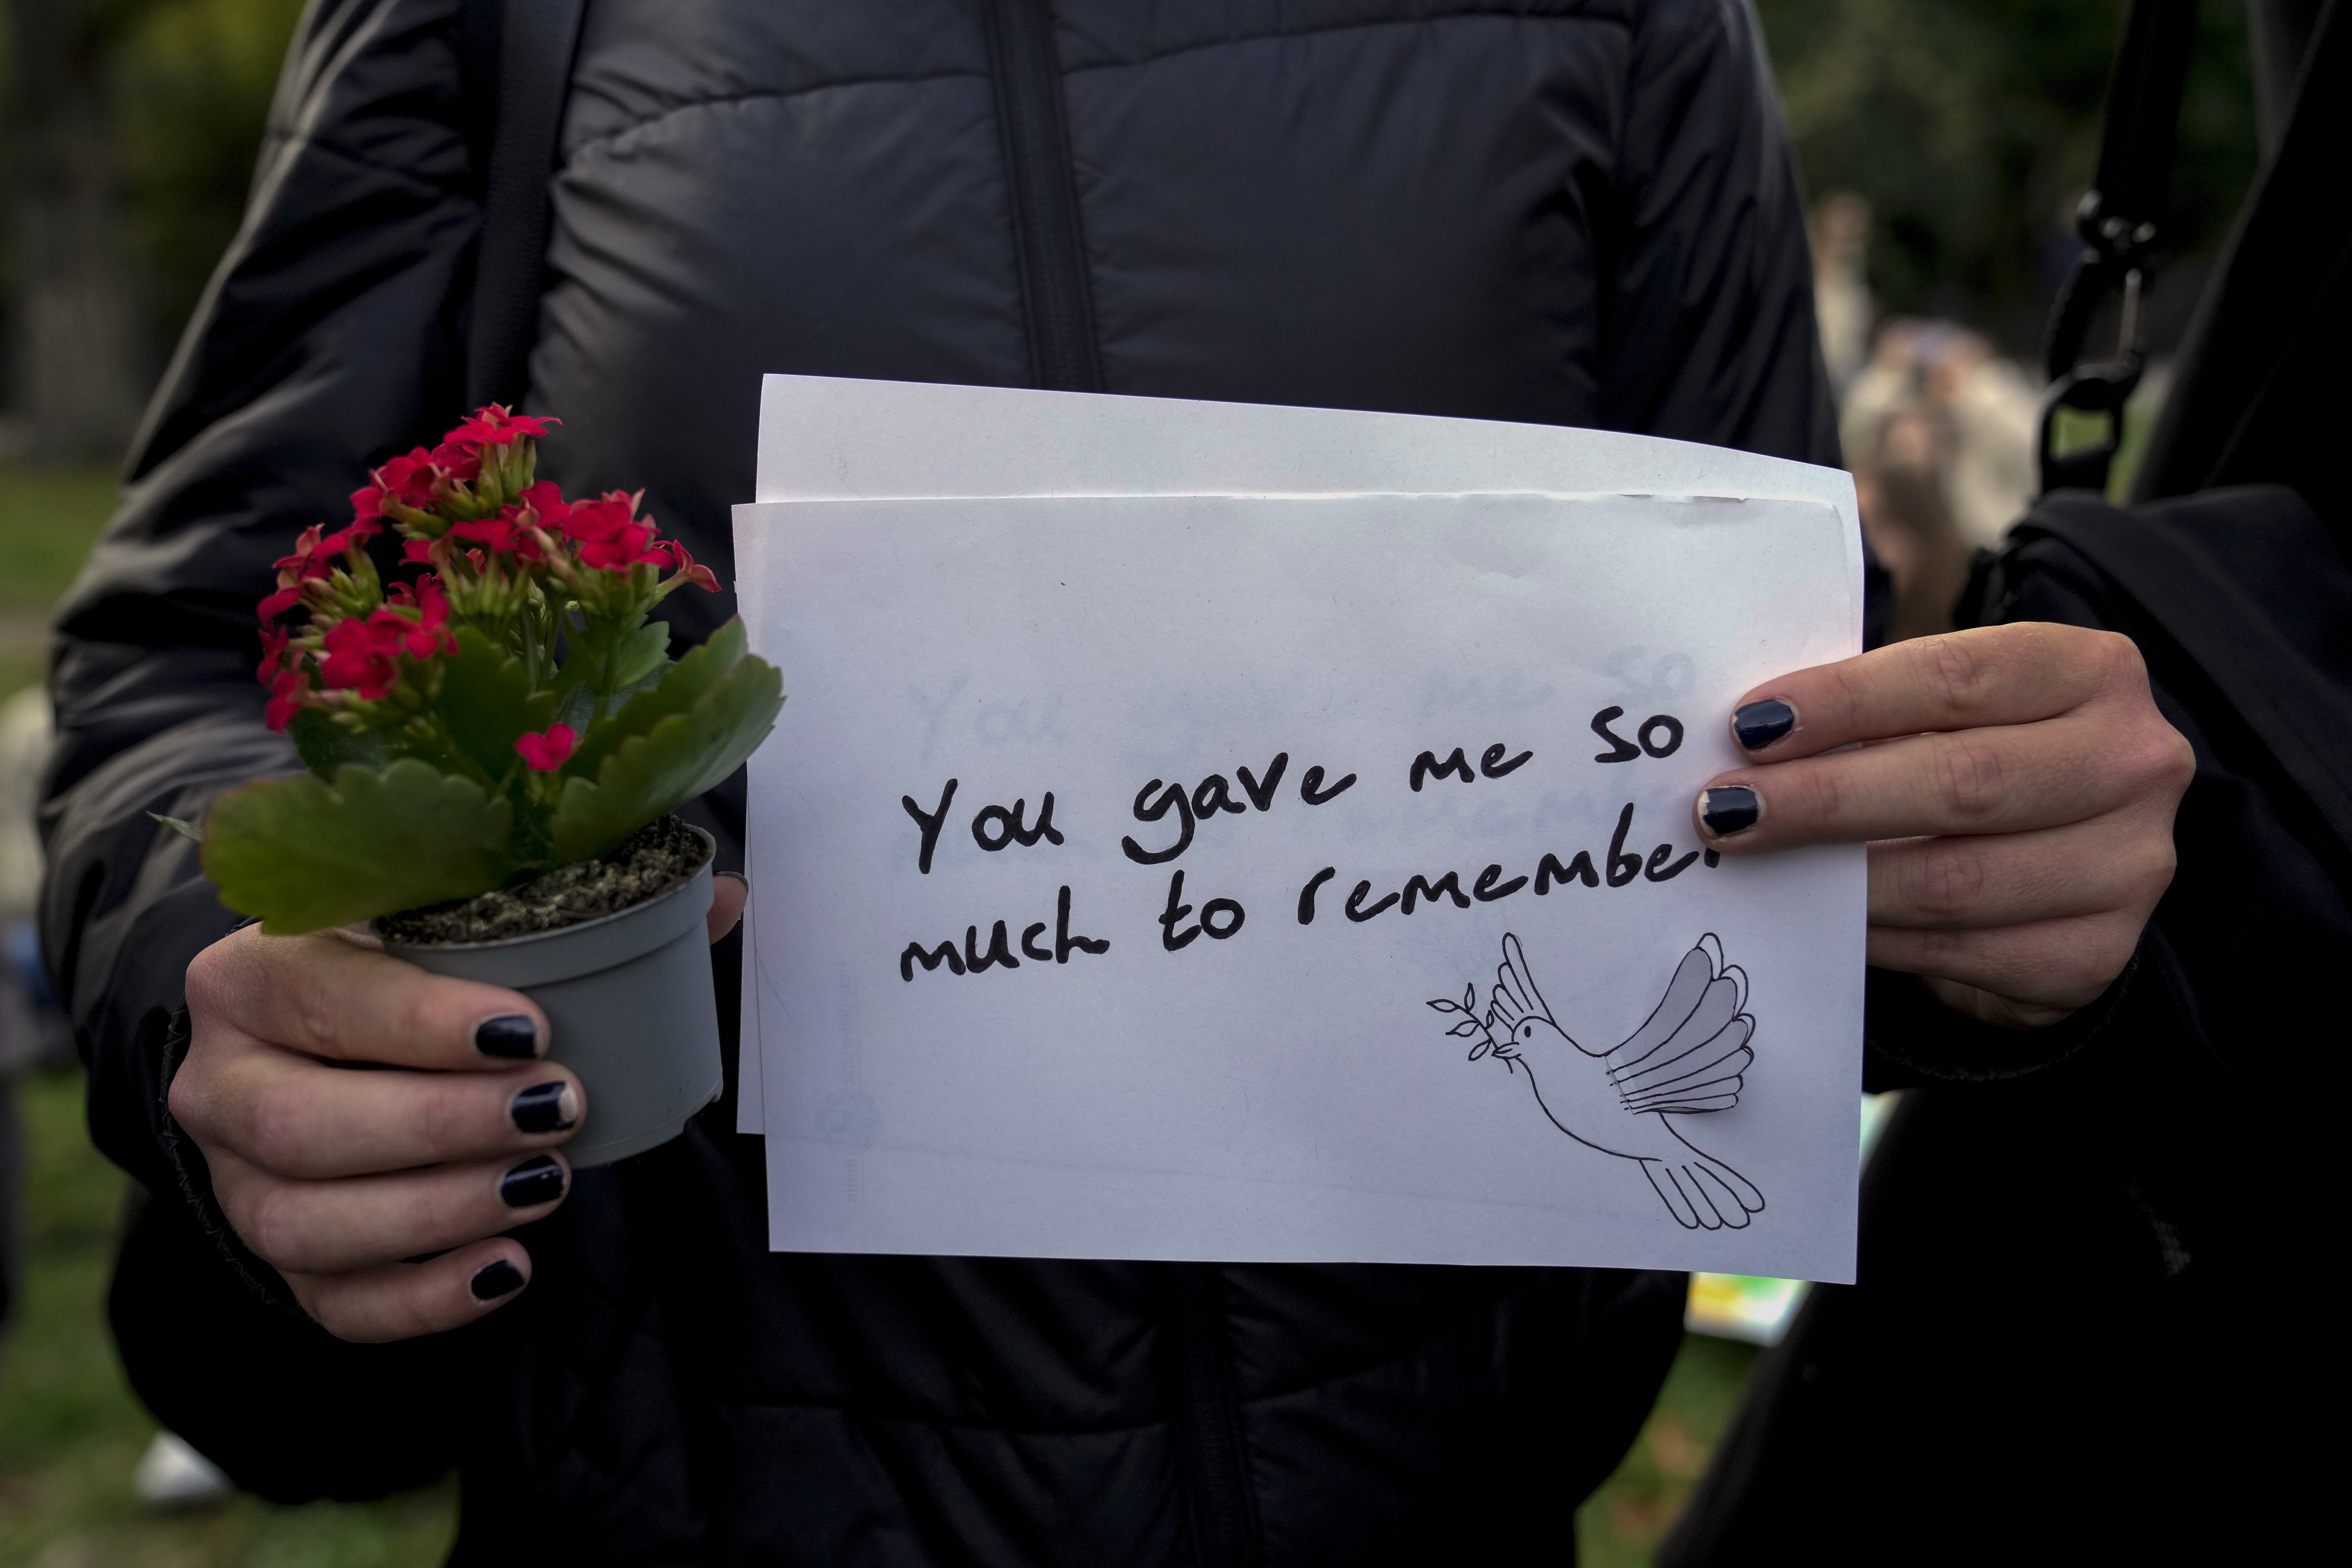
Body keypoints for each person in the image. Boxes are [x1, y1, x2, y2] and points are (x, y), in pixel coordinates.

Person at [40, 1, 2187, 1559]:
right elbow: (187, 656)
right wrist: (216, 982)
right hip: (679, 1494)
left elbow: (1749, 736)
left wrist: (1972, 899)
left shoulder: (1628, 23)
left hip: (1445, 1509)